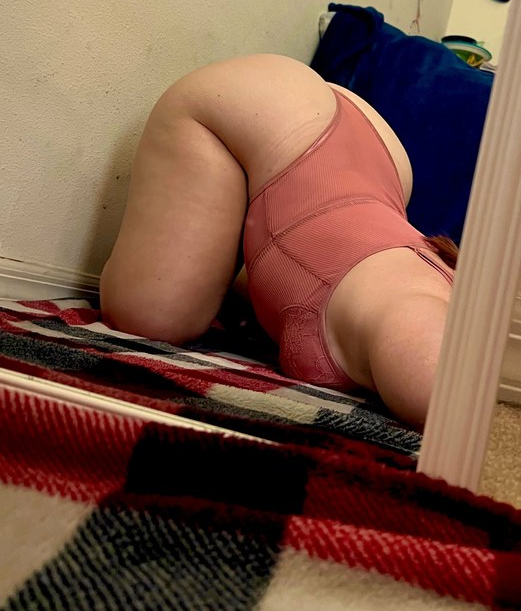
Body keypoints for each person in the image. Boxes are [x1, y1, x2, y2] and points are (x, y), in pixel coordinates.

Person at [100, 55, 457, 428]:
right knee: (149, 318)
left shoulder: (440, 307)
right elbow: (456, 411)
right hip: (268, 112)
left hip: (375, 154)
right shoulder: (416, 317)